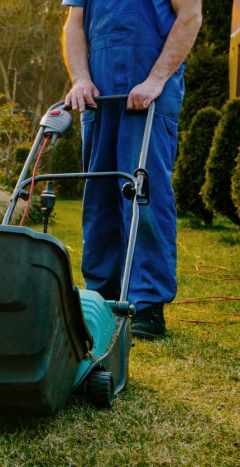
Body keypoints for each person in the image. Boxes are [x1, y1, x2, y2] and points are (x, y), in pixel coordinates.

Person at [61, 0, 202, 339]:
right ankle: (101, 297)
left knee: (144, 196)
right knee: (99, 199)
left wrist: (156, 80)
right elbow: (74, 25)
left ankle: (147, 304)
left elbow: (190, 15)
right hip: (100, 95)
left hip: (148, 94)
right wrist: (80, 79)